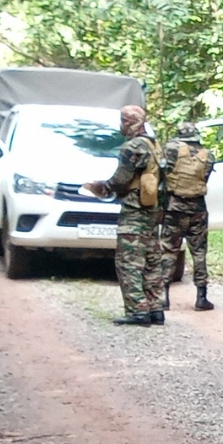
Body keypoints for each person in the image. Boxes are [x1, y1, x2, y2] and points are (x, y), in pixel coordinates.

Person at [84, 103, 163, 325]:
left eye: (123, 121)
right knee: (151, 258)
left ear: (129, 123)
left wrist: (100, 188)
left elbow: (120, 180)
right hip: (151, 208)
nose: (121, 125)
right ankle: (155, 307)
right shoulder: (154, 145)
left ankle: (137, 310)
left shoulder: (132, 147)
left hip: (134, 209)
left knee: (128, 260)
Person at [159, 118, 217, 312]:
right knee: (199, 252)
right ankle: (201, 297)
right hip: (197, 209)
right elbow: (205, 178)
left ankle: (163, 297)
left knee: (168, 250)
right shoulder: (208, 155)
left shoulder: (170, 149)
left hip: (174, 207)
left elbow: (161, 174)